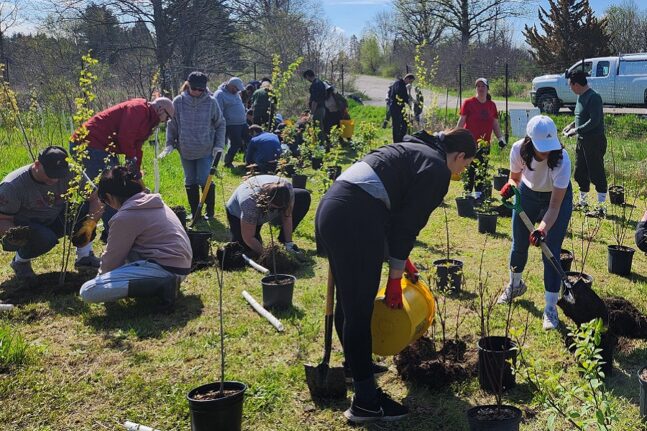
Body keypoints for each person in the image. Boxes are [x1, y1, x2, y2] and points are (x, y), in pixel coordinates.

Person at [315, 128, 476, 424]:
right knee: (359, 311)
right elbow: (405, 228)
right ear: (459, 156)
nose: (460, 172)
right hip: (354, 220)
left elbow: (390, 210)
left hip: (335, 208)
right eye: (464, 166)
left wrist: (406, 265)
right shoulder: (437, 169)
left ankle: (354, 367)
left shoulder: (415, 149)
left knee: (349, 304)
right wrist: (393, 281)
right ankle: (365, 403)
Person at [498, 115, 572, 331]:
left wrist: (542, 228)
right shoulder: (518, 150)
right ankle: (515, 285)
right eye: (542, 147)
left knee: (550, 250)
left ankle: (550, 307)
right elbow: (515, 178)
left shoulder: (562, 160)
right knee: (519, 244)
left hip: (556, 198)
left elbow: (555, 207)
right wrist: (510, 185)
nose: (546, 151)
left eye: (549, 146)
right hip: (528, 194)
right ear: (530, 141)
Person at [79, 166, 192, 307]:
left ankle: (161, 284)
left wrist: (102, 282)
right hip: (180, 267)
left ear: (108, 196)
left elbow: (112, 260)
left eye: (104, 200)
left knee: (88, 290)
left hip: (164, 270)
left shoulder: (126, 216)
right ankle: (158, 284)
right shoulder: (153, 202)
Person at [70, 96, 174, 242]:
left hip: (102, 148)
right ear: (160, 109)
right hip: (89, 144)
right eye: (167, 118)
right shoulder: (138, 109)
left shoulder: (148, 119)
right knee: (112, 189)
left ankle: (110, 233)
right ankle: (113, 235)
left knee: (111, 189)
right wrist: (130, 160)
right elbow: (125, 137)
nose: (165, 121)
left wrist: (135, 173)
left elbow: (136, 147)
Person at [0, 146, 101, 278]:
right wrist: (19, 237)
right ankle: (21, 262)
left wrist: (90, 224)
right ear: (37, 164)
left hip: (55, 216)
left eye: (59, 175)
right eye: (50, 174)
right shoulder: (12, 185)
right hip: (28, 225)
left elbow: (95, 199)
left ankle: (84, 256)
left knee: (83, 212)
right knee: (45, 238)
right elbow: (3, 220)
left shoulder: (72, 172)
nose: (55, 180)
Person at [164, 71, 225, 221]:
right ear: (188, 86)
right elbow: (172, 123)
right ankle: (194, 212)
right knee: (190, 180)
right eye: (194, 89)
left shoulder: (211, 102)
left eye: (201, 89)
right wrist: (169, 144)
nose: (197, 92)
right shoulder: (178, 102)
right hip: (185, 149)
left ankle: (209, 213)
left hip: (205, 148)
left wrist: (219, 146)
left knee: (205, 179)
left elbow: (220, 123)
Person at [225, 175, 310, 258]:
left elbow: (287, 216)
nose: (276, 211)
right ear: (267, 201)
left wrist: (289, 244)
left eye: (280, 209)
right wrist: (268, 255)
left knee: (302, 196)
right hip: (236, 213)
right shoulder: (249, 202)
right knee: (243, 249)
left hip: (261, 208)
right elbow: (248, 237)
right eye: (274, 208)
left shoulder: (288, 189)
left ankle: (283, 240)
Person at [563, 70, 607, 217]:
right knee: (579, 172)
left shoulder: (594, 97)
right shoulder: (580, 97)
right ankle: (583, 202)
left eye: (570, 85)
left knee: (596, 173)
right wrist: (571, 126)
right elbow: (581, 116)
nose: (570, 88)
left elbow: (594, 121)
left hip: (594, 141)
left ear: (576, 84)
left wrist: (576, 130)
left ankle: (601, 209)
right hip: (582, 141)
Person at [457, 78, 506, 197]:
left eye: (483, 86)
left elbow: (495, 124)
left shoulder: (491, 105)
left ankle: (478, 195)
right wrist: (456, 137)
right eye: (478, 86)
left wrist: (501, 139)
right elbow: (461, 122)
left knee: (482, 170)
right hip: (469, 143)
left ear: (487, 88)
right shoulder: (469, 103)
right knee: (470, 170)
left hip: (484, 144)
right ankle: (468, 195)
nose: (480, 88)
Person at [215, 77, 247, 168]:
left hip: (242, 123)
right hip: (231, 124)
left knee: (249, 141)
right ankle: (227, 163)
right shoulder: (220, 94)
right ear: (231, 85)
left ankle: (249, 161)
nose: (238, 90)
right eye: (236, 88)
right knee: (235, 143)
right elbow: (217, 110)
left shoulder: (236, 93)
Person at [388, 73, 415, 143]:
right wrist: (407, 100)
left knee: (404, 123)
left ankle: (401, 138)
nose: (410, 83)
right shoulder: (399, 84)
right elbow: (400, 95)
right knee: (396, 125)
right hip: (395, 107)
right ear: (407, 79)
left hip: (400, 107)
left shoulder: (401, 84)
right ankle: (396, 141)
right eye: (410, 81)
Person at [302, 69, 327, 136]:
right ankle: (320, 143)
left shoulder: (315, 85)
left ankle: (321, 145)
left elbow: (315, 100)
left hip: (318, 109)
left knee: (317, 127)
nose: (307, 80)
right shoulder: (320, 82)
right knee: (320, 126)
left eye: (306, 78)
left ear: (307, 76)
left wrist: (312, 112)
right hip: (323, 107)